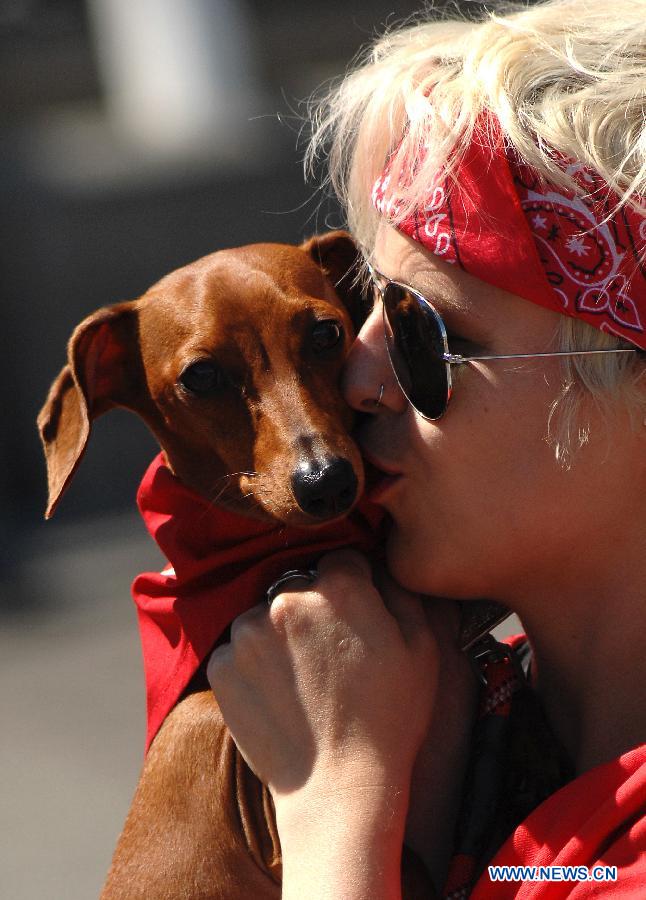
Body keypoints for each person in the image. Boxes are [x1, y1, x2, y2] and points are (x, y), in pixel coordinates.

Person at [206, 1, 646, 897]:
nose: (357, 378)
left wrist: (335, 804)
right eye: (362, 299)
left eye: (422, 332)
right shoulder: (454, 716)